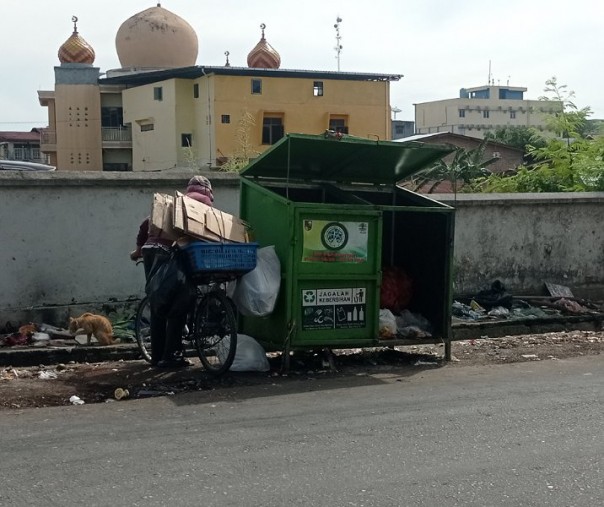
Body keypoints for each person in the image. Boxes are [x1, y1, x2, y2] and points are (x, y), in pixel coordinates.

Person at [130, 175, 214, 367]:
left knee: (158, 304)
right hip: (170, 254)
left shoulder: (173, 203)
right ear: (208, 192)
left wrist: (137, 251)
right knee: (179, 305)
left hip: (150, 251)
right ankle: (171, 356)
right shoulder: (202, 205)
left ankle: (158, 356)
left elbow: (145, 225)